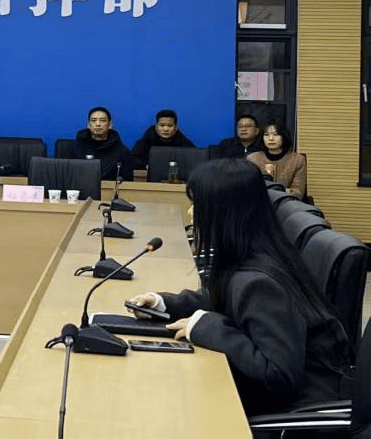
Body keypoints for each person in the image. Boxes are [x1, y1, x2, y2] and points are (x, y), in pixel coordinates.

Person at [129, 158, 351, 416]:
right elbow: (228, 300)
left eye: (197, 204)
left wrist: (207, 327)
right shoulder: (256, 256)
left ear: (225, 213)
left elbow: (280, 374)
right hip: (275, 395)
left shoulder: (259, 283)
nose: (190, 212)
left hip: (296, 410)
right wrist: (165, 303)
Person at [247, 122, 308, 199]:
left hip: (286, 202)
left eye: (275, 134)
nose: (271, 138)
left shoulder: (297, 160)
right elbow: (248, 189)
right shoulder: (252, 159)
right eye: (266, 135)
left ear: (284, 136)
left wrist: (277, 191)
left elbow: (298, 193)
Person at [71, 106, 134, 180]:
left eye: (102, 120)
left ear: (110, 125)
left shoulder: (121, 151)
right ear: (88, 125)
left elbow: (127, 180)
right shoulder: (76, 148)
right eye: (93, 120)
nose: (98, 124)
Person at [130, 109, 196, 169]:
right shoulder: (146, 140)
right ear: (156, 127)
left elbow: (194, 159)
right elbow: (133, 159)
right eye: (162, 125)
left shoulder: (182, 142)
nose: (165, 129)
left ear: (176, 128)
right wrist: (147, 166)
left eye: (170, 126)